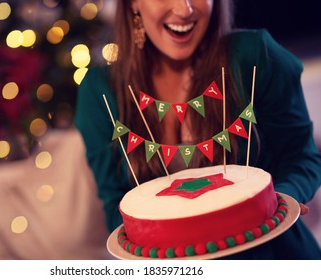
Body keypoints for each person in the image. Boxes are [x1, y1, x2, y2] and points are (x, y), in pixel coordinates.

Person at [75, 0, 321, 259]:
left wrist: (268, 203)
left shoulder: (256, 55)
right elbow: (116, 205)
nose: (185, 9)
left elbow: (301, 157)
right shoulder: (100, 92)